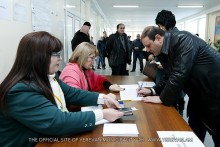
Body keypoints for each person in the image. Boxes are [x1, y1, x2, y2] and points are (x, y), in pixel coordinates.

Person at [0, 31, 124, 147]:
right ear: (38, 57)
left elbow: (72, 93)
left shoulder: (48, 77)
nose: (60, 58)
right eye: (55, 54)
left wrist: (103, 98)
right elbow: (57, 121)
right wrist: (102, 114)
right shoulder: (20, 91)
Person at [139, 26, 220, 146]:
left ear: (158, 38)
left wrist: (162, 98)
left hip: (214, 95)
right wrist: (152, 90)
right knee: (193, 135)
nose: (147, 50)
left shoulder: (183, 40)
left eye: (148, 45)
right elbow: (169, 76)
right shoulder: (164, 50)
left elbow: (180, 73)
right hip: (197, 95)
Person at [60, 42, 125, 92]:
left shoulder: (85, 70)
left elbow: (99, 79)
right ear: (82, 56)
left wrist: (110, 86)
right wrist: (101, 98)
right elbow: (75, 95)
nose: (93, 62)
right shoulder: (70, 71)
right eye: (91, 58)